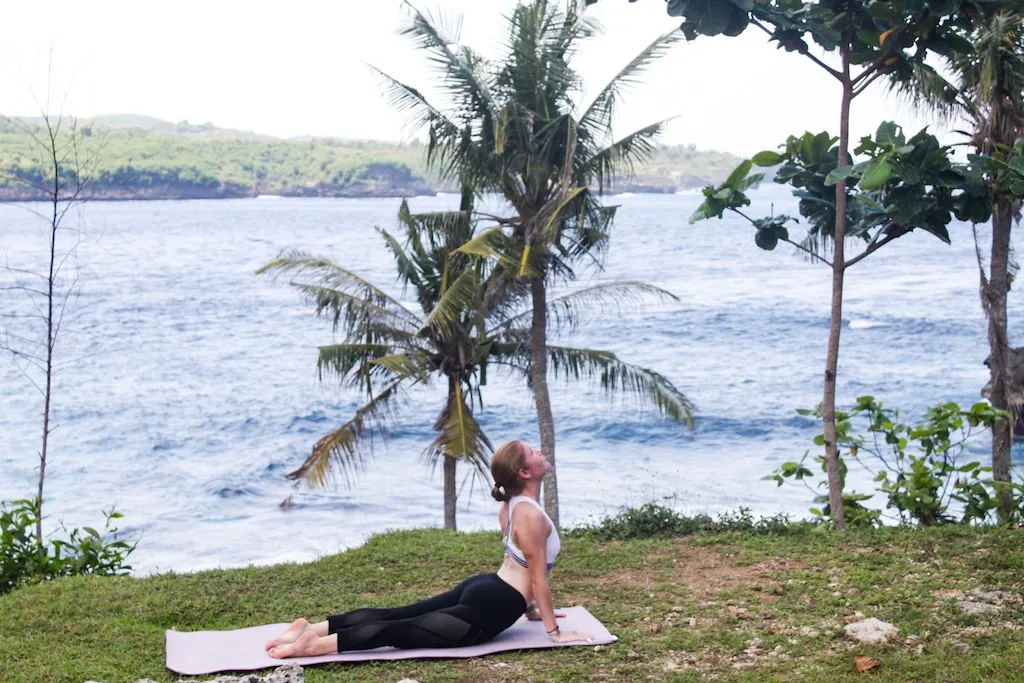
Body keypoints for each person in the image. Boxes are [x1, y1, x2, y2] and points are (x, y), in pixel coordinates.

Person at [265, 440, 591, 658]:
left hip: (486, 586)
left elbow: (517, 563)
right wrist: (554, 631)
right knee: (401, 630)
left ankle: (311, 628)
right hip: (496, 604)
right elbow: (536, 579)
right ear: (524, 472)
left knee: (399, 614)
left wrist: (531, 611)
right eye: (532, 452)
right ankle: (314, 646)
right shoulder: (532, 515)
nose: (539, 451)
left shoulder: (511, 506)